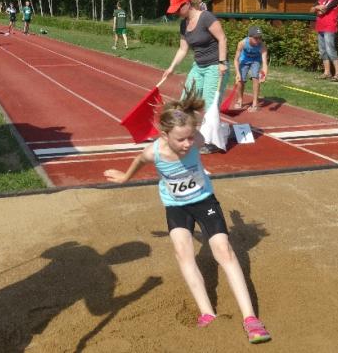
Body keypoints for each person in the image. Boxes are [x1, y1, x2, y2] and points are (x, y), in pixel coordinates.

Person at [103, 90, 271, 343]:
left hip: (204, 201)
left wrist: (192, 123)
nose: (188, 144)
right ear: (164, 135)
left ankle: (251, 319)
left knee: (223, 250)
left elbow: (195, 125)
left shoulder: (196, 140)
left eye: (191, 137)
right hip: (176, 206)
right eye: (181, 139)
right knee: (182, 251)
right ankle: (207, 312)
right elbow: (139, 160)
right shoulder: (153, 153)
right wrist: (125, 177)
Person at [160, 0, 228, 118]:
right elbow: (183, 49)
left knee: (209, 107)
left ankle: (211, 129)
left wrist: (222, 62)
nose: (176, 13)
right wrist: (171, 68)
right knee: (186, 102)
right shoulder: (183, 24)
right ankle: (180, 128)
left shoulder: (206, 17)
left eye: (178, 9)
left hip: (214, 66)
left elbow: (222, 38)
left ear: (187, 3)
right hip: (198, 66)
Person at [310, 0, 338, 81]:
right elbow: (311, 10)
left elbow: (322, 11)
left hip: (329, 27)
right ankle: (327, 73)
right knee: (322, 51)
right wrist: (317, 7)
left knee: (330, 50)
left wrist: (317, 8)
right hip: (320, 27)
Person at [233, 26, 268, 112]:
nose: (258, 40)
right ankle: (240, 100)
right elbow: (236, 60)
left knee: (256, 78)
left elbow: (264, 62)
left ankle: (255, 103)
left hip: (256, 61)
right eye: (256, 38)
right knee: (240, 80)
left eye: (260, 38)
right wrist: (237, 73)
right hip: (244, 60)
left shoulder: (262, 45)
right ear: (249, 37)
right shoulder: (242, 43)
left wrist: (264, 74)